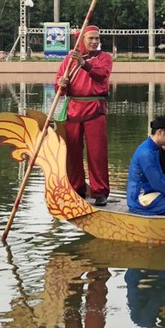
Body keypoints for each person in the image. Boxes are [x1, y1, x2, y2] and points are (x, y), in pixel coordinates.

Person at [56, 25, 113, 206]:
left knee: (97, 153)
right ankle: (77, 188)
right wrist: (62, 83)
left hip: (95, 109)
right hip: (73, 110)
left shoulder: (104, 58)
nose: (95, 42)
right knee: (72, 152)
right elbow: (59, 89)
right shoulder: (68, 61)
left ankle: (100, 191)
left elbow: (101, 75)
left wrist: (84, 64)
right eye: (91, 38)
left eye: (97, 38)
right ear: (82, 40)